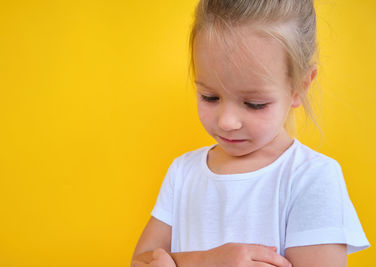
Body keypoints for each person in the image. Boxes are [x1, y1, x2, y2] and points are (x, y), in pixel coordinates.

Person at [131, 0, 370, 266]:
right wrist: (207, 261)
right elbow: (140, 261)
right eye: (210, 97)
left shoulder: (311, 178)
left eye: (254, 104)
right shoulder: (183, 172)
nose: (227, 121)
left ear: (299, 86)